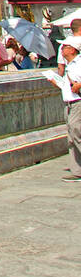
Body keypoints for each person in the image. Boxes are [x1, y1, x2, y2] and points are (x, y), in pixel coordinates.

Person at [53, 41, 81, 180]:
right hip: (69, 102)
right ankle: (77, 171)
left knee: (77, 134)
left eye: (64, 47)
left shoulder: (79, 63)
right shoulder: (70, 66)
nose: (62, 50)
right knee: (72, 137)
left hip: (78, 102)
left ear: (72, 50)